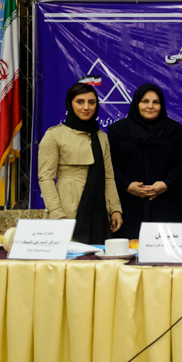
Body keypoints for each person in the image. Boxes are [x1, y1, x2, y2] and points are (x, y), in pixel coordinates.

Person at [38, 81, 123, 243]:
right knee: (69, 256)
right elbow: (46, 178)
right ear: (70, 104)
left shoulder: (101, 137)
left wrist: (115, 209)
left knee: (98, 256)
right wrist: (57, 213)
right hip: (67, 212)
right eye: (80, 102)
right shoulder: (54, 135)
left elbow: (108, 177)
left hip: (98, 211)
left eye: (91, 102)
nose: (86, 107)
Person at [108, 83, 182, 239]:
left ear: (161, 106)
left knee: (166, 250)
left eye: (155, 102)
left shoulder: (176, 131)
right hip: (128, 204)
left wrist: (167, 184)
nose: (150, 106)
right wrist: (127, 185)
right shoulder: (118, 131)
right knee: (128, 250)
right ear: (136, 103)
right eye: (145, 101)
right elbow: (109, 164)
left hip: (167, 204)